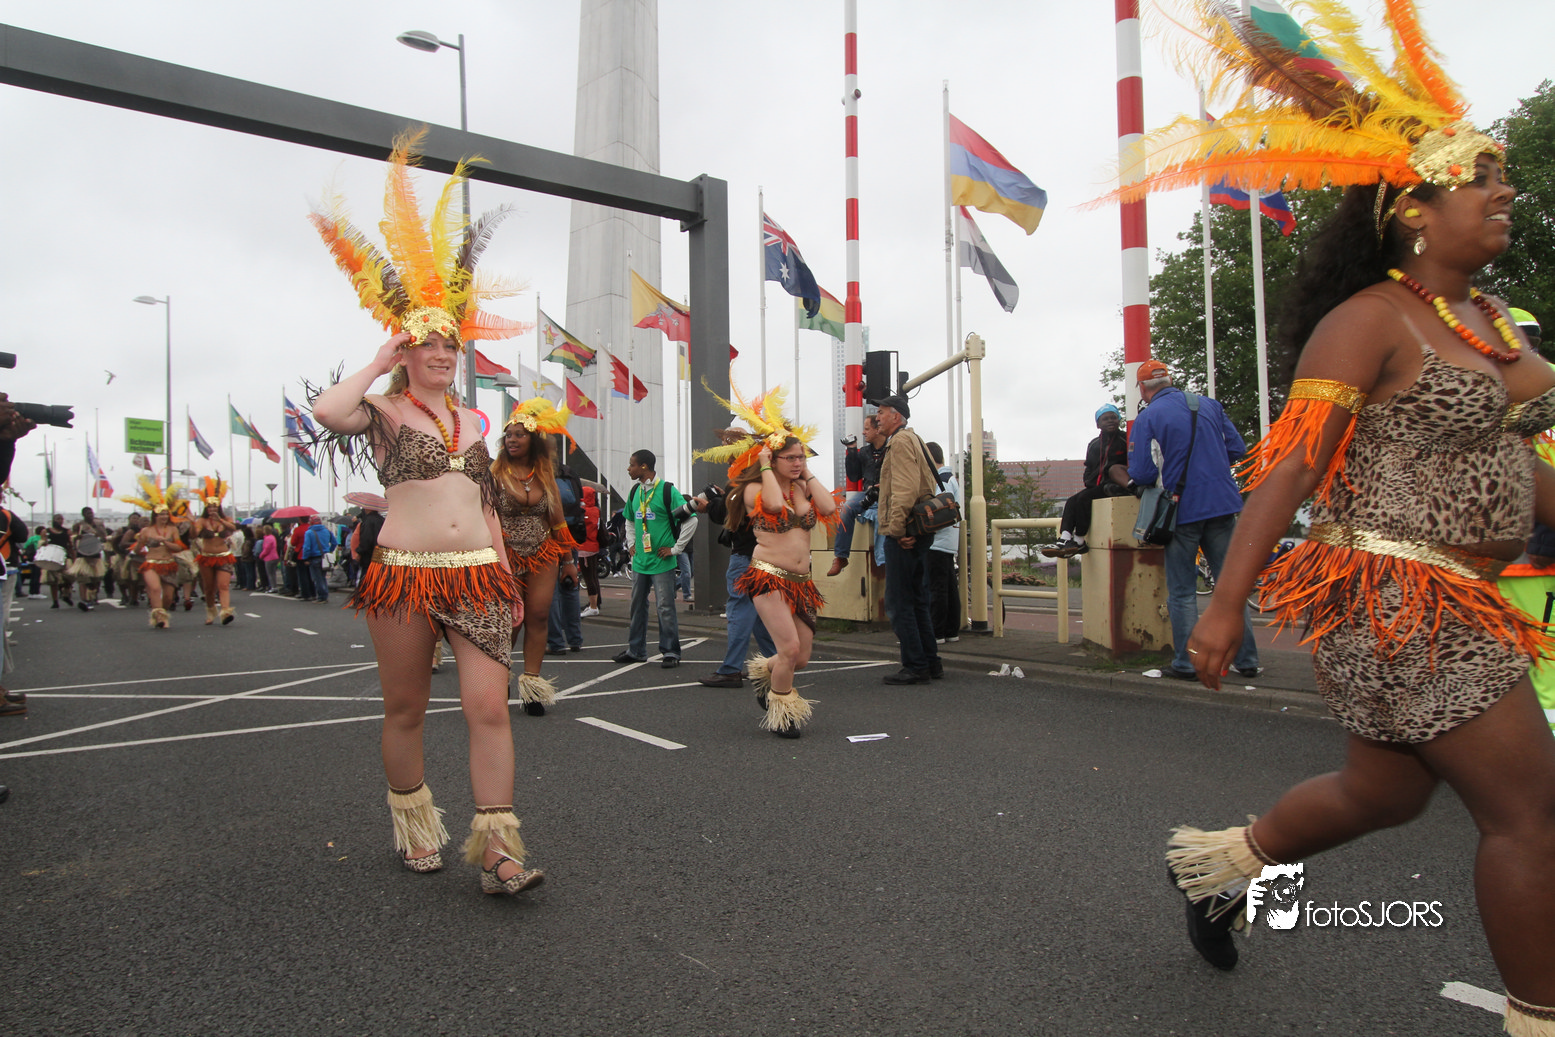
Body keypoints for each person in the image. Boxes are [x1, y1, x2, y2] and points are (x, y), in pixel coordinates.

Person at [1112, 3, 1555, 1028]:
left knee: (1383, 793)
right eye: (1479, 177)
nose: (1503, 190)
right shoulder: (1367, 321)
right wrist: (1224, 605)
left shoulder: (1491, 322)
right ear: (1413, 209)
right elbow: (1289, 470)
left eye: (1502, 175)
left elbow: (1515, 463)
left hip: (1469, 596)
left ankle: (1222, 867)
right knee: (1530, 812)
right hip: (1399, 598)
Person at [309, 129, 543, 896]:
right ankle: (413, 822)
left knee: (488, 707)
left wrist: (505, 574)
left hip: (478, 576)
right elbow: (326, 411)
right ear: (408, 351)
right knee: (406, 707)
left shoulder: (475, 421)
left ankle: (499, 850)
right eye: (427, 343)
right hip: (403, 575)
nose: (442, 352)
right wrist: (378, 359)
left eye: (450, 343)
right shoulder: (382, 410)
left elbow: (483, 503)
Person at [694, 386, 837, 734]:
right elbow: (773, 506)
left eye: (801, 457)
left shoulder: (801, 487)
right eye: (791, 458)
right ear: (772, 459)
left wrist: (807, 474)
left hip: (801, 582)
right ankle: (783, 713)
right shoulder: (753, 489)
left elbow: (830, 507)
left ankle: (763, 671)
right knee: (788, 648)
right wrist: (764, 465)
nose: (798, 462)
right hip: (767, 577)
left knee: (801, 657)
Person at [1127, 361, 1260, 681]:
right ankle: (1247, 660)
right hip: (1222, 505)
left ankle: (1187, 664)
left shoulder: (1148, 417)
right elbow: (1237, 448)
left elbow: (1142, 472)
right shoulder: (1209, 405)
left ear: (1143, 389)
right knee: (1230, 587)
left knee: (1183, 591)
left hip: (1181, 511)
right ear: (1170, 380)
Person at [492, 401, 579, 716]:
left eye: (519, 435)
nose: (512, 440)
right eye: (509, 435)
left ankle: (531, 686)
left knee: (539, 616)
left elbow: (557, 522)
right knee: (511, 621)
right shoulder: (495, 475)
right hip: (506, 556)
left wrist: (568, 561)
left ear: (533, 440)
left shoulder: (544, 475)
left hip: (543, 553)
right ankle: (497, 678)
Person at [874, 395, 943, 684]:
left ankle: (915, 665)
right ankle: (930, 662)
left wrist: (898, 530)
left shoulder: (900, 442)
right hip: (920, 530)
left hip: (906, 531)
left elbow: (904, 488)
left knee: (899, 602)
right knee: (917, 600)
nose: (877, 417)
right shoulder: (914, 439)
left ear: (896, 416)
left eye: (881, 412)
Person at [613, 449, 696, 668]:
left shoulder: (667, 491)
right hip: (640, 561)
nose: (628, 469)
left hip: (662, 562)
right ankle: (636, 650)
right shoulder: (635, 491)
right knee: (637, 606)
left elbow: (692, 519)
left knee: (665, 607)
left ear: (644, 466)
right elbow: (629, 520)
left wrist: (676, 549)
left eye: (632, 465)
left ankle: (670, 652)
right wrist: (631, 542)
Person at [1045, 404, 1133, 558]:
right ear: (1098, 424)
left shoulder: (1125, 439)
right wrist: (1089, 481)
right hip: (1097, 485)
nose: (1110, 421)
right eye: (1105, 419)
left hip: (1116, 485)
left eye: (1113, 417)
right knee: (1072, 500)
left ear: (1119, 420)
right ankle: (1065, 537)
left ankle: (1079, 540)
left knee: (1084, 498)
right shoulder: (1094, 444)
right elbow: (1089, 466)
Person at [826, 413, 886, 577]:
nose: (863, 432)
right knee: (847, 508)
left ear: (877, 429)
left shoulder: (891, 449)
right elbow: (854, 476)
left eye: (867, 429)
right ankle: (841, 556)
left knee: (883, 516)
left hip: (887, 495)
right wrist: (852, 450)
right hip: (868, 494)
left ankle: (882, 561)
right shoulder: (865, 452)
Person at [545, 454, 587, 656]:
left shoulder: (541, 475)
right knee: (570, 586)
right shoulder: (570, 474)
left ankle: (555, 642)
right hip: (571, 534)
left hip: (549, 536)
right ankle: (575, 639)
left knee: (550, 590)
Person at [924, 442, 963, 643]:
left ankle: (936, 632)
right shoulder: (950, 478)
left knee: (936, 587)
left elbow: (937, 510)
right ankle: (951, 630)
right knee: (948, 586)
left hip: (937, 540)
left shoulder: (939, 480)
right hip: (949, 540)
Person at [189, 480, 239, 624]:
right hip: (207, 557)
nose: (212, 509)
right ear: (206, 507)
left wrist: (220, 521)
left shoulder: (226, 519)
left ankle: (225, 612)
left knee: (223, 586)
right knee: (209, 588)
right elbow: (193, 534)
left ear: (219, 507)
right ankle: (211, 611)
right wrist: (192, 522)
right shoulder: (202, 521)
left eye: (215, 506)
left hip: (224, 557)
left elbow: (233, 528)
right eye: (210, 507)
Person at [65, 506, 109, 612]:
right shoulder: (79, 526)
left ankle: (92, 597)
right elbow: (72, 538)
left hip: (95, 554)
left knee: (94, 581)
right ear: (83, 515)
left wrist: (99, 532)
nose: (90, 515)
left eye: (91, 513)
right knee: (83, 579)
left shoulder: (98, 525)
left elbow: (104, 538)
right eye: (88, 513)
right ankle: (84, 600)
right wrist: (77, 538)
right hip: (82, 555)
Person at [577, 486, 603, 618]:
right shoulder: (596, 511)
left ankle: (593, 606)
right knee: (593, 577)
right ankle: (595, 603)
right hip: (594, 546)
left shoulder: (583, 511)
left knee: (589, 578)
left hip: (584, 547)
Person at [299, 514, 337, 605]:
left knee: (317, 578)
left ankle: (321, 596)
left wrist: (305, 558)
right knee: (323, 577)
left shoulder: (309, 533)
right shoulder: (327, 531)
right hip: (324, 557)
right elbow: (334, 543)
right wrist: (329, 551)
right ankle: (324, 595)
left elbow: (307, 547)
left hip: (314, 557)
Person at [41, 514, 72, 609]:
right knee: (53, 581)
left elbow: (70, 545)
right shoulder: (46, 531)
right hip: (52, 557)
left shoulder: (67, 531)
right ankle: (55, 601)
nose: (60, 521)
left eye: (61, 519)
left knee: (68, 577)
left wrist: (73, 557)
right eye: (58, 519)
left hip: (64, 556)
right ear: (53, 520)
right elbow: (42, 544)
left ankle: (65, 594)